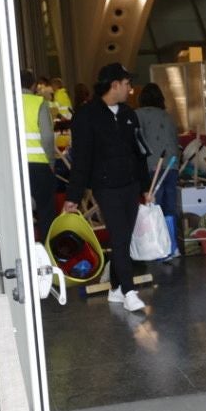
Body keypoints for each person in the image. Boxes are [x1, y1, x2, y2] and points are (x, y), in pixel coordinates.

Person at [68, 62, 149, 313]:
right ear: (114, 85)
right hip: (106, 187)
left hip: (130, 185)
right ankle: (129, 290)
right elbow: (81, 159)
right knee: (120, 236)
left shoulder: (128, 114)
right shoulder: (86, 116)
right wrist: (73, 196)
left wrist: (145, 187)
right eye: (127, 84)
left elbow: (140, 152)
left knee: (123, 239)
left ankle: (115, 289)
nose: (130, 89)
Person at [134, 82, 181, 259]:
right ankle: (173, 246)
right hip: (172, 165)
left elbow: (137, 142)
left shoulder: (138, 115)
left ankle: (158, 247)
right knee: (170, 207)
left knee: (155, 208)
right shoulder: (168, 116)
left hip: (152, 166)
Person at [21, 71, 58, 242]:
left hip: (15, 168)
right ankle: (47, 252)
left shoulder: (4, 102)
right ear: (33, 85)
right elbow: (48, 137)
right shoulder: (38, 103)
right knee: (46, 212)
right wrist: (51, 162)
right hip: (38, 166)